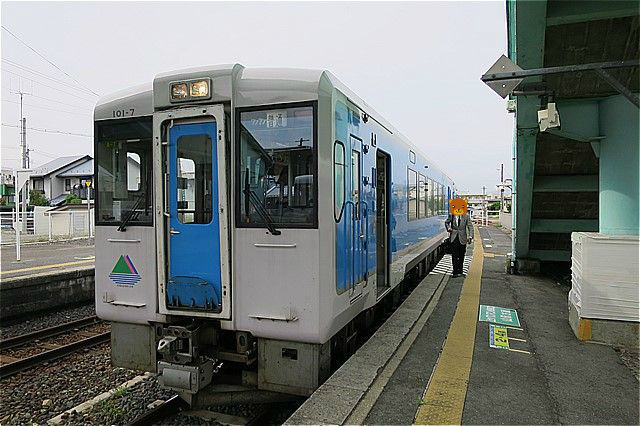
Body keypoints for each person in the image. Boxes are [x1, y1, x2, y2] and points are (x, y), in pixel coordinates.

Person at [445, 199, 474, 277]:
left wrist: (470, 236)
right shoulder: (452, 215)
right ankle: (455, 271)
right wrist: (448, 228)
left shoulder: (466, 216)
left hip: (463, 238)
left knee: (461, 255)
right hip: (454, 237)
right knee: (454, 255)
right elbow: (447, 222)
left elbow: (470, 226)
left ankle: (460, 270)